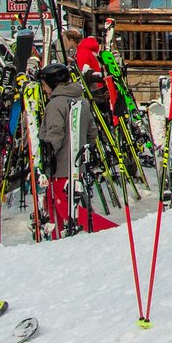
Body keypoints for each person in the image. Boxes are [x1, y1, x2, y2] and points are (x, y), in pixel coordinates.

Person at [39, 62, 115, 235]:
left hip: (60, 165)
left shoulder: (55, 104)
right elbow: (92, 131)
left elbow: (55, 133)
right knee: (52, 202)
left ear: (52, 83)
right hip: (75, 163)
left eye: (44, 85)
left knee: (65, 206)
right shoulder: (82, 101)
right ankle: (56, 237)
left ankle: (108, 231)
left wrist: (47, 155)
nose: (43, 90)